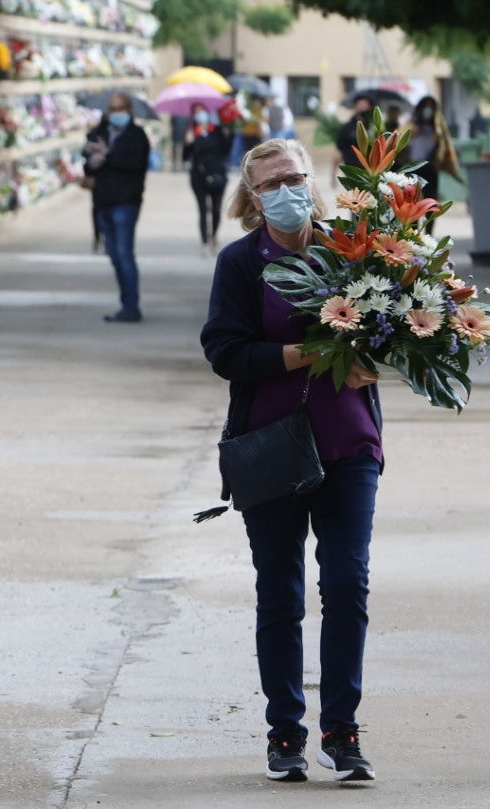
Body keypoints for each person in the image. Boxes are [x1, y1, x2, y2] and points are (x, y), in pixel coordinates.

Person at [199, 139, 383, 785]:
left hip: (347, 442)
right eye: (272, 182)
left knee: (347, 584)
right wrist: (305, 354)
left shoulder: (354, 252)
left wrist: (376, 356)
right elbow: (224, 350)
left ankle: (343, 730)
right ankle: (286, 733)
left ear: (313, 181)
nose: (286, 189)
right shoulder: (242, 263)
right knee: (279, 593)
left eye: (296, 178)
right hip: (270, 448)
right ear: (252, 197)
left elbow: (390, 329)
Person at [83, 93, 150, 322]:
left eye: (121, 108)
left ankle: (131, 307)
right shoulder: (98, 134)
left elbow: (136, 164)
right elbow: (89, 165)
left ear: (129, 110)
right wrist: (92, 162)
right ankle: (126, 304)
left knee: (124, 253)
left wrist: (108, 155)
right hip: (102, 201)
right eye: (112, 109)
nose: (116, 113)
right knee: (113, 254)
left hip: (126, 201)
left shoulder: (137, 136)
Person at [406, 96, 461, 235]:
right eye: (425, 106)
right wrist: (412, 132)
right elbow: (400, 140)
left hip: (430, 169)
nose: (427, 110)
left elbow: (446, 145)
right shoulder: (411, 125)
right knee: (411, 204)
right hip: (413, 168)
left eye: (431, 107)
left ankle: (428, 235)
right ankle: (412, 234)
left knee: (430, 204)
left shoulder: (438, 127)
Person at [183, 104, 231, 253]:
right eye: (196, 112)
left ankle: (213, 235)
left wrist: (228, 134)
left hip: (217, 174)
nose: (200, 115)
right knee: (203, 209)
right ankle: (204, 240)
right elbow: (185, 157)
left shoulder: (216, 131)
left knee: (216, 208)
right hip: (199, 175)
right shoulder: (192, 133)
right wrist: (188, 143)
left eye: (202, 111)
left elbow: (226, 151)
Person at [333, 97, 374, 176]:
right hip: (352, 173)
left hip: (371, 173)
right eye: (360, 104)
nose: (363, 107)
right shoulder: (346, 128)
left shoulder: (373, 127)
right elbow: (338, 151)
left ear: (370, 108)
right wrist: (333, 173)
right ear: (355, 107)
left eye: (366, 105)